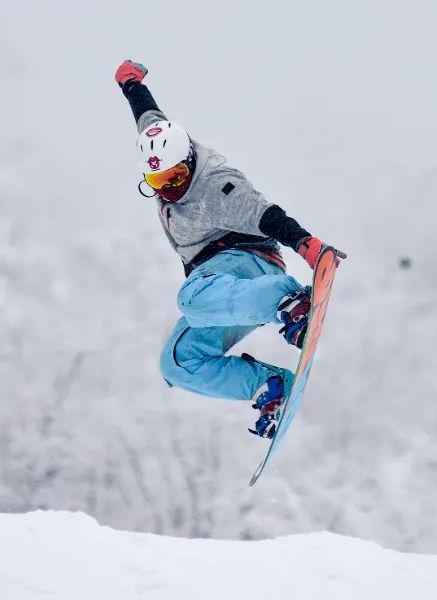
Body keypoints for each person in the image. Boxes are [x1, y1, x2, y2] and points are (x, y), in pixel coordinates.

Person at [114, 60, 345, 439]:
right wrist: (130, 83)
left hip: (248, 265)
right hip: (229, 295)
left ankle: (289, 302)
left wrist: (311, 247)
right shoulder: (162, 149)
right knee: (177, 363)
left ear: (189, 159)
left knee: (190, 298)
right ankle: (269, 387)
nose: (170, 188)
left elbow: (267, 216)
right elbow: (147, 116)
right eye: (158, 181)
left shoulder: (217, 185)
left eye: (176, 177)